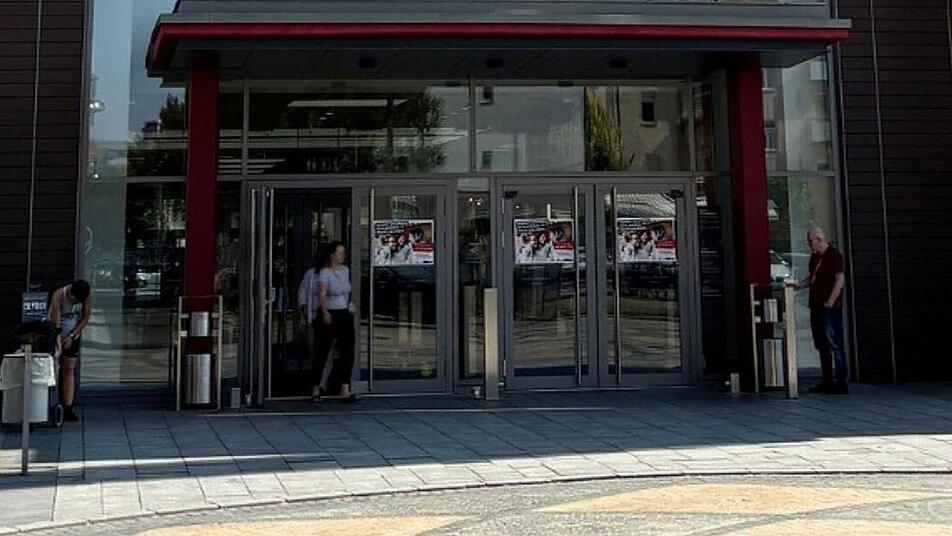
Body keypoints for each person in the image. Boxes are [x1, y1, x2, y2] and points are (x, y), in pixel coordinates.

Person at [797, 227, 848, 395]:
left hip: (829, 308)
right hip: (816, 305)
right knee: (822, 345)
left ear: (819, 239)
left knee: (835, 343)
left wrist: (831, 300)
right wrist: (797, 286)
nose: (809, 245)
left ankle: (841, 382)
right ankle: (827, 380)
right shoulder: (815, 257)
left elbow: (840, 279)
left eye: (810, 241)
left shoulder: (833, 255)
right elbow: (812, 277)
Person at [311, 241, 357, 403]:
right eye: (340, 253)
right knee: (323, 351)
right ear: (332, 255)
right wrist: (324, 312)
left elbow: (347, 289)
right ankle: (316, 386)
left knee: (348, 350)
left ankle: (345, 387)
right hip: (330, 312)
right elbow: (322, 294)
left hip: (344, 312)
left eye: (343, 252)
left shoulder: (345, 270)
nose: (343, 256)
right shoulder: (324, 272)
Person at [48, 280, 92, 422]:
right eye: (73, 300)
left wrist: (72, 336)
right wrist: (59, 342)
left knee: (69, 368)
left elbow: (86, 316)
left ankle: (68, 407)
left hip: (73, 333)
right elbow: (55, 322)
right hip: (56, 333)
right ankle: (51, 403)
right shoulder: (59, 295)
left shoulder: (86, 296)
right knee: (54, 368)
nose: (75, 303)